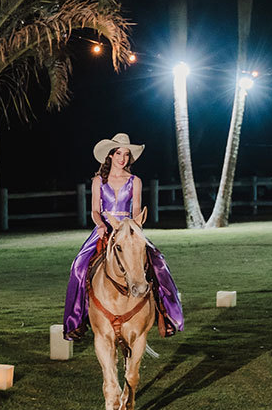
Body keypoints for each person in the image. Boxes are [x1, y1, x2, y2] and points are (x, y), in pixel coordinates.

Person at [62, 132, 185, 340]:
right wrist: (100, 225)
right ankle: (77, 321)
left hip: (128, 229)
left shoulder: (135, 181)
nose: (122, 158)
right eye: (119, 153)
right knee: (78, 266)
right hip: (105, 228)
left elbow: (136, 209)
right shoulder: (98, 181)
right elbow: (94, 210)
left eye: (126, 154)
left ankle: (166, 315)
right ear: (110, 155)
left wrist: (136, 227)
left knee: (159, 263)